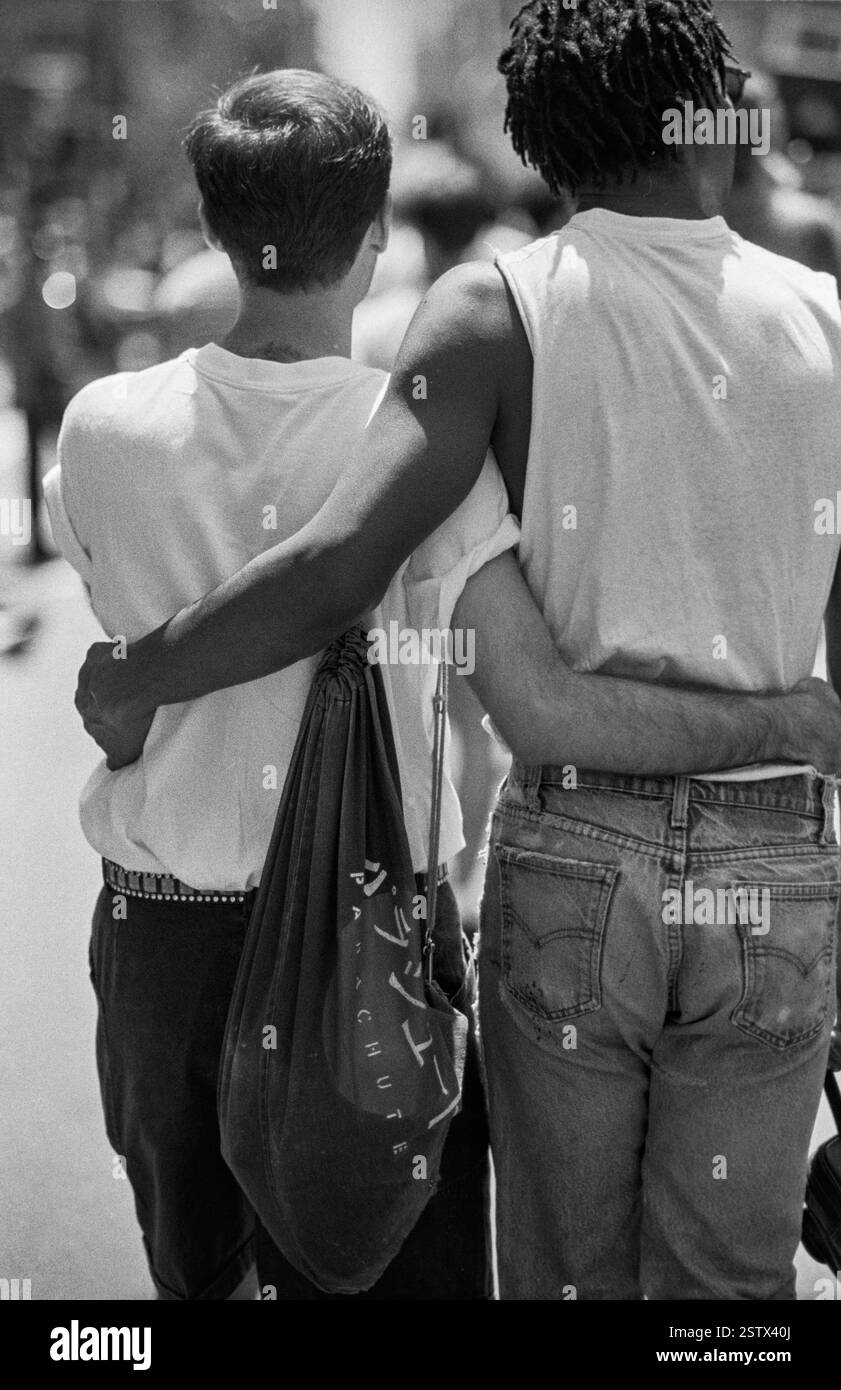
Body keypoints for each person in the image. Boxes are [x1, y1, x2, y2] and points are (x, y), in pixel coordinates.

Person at [74, 0, 841, 1301]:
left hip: (568, 859)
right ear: (711, 125)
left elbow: (337, 566)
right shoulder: (825, 310)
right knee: (727, 1290)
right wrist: (788, 734)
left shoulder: (493, 312)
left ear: (540, 145)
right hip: (771, 864)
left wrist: (137, 672)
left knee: (556, 1275)